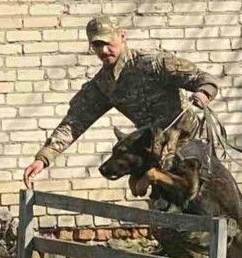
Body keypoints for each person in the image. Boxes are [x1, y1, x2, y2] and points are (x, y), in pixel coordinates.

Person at [22, 15, 220, 188]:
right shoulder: (102, 85)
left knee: (206, 201)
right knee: (165, 218)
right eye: (97, 45)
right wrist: (44, 158)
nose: (104, 50)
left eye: (109, 42)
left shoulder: (153, 63)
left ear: (122, 36)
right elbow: (74, 122)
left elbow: (203, 79)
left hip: (189, 142)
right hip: (153, 155)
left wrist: (203, 93)